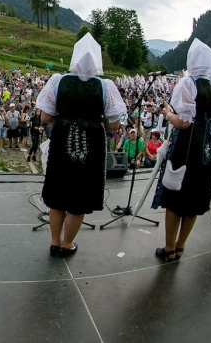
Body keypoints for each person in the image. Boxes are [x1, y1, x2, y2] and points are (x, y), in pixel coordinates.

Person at [37, 34, 127, 258]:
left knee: (57, 194)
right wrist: (95, 121)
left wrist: (66, 119)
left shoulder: (59, 81)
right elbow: (114, 123)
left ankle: (55, 242)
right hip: (91, 143)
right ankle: (67, 244)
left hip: (62, 140)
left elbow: (45, 117)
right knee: (79, 197)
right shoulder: (105, 86)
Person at [153, 39, 211, 261]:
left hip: (187, 146)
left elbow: (184, 122)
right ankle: (181, 245)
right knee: (195, 197)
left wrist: (167, 114)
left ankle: (169, 248)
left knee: (176, 196)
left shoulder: (188, 84)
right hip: (206, 147)